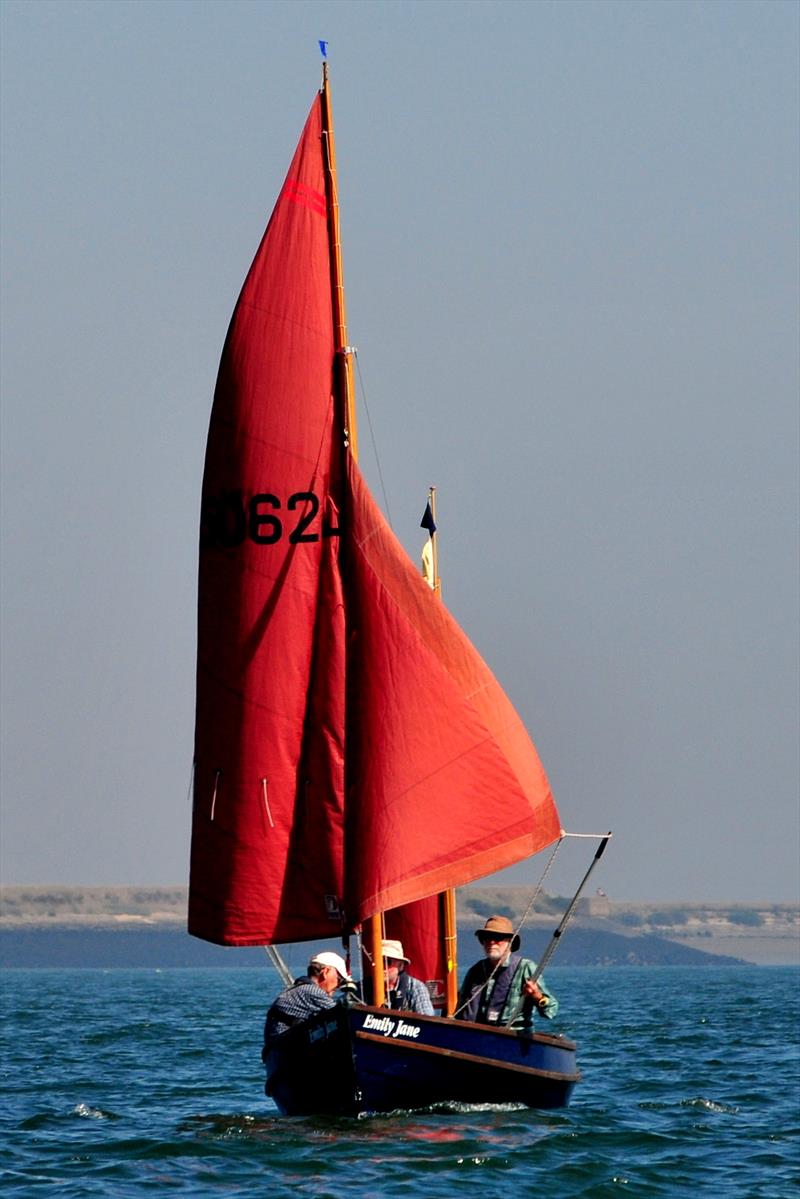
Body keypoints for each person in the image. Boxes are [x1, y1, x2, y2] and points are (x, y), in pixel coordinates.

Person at [456, 915, 558, 1030]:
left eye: (497, 938)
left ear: (510, 942)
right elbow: (459, 1010)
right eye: (487, 937)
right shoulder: (475, 971)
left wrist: (537, 996)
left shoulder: (525, 968)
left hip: (513, 1038)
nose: (492, 942)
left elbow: (552, 1010)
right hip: (477, 1035)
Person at [262, 950, 352, 1054]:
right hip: (285, 1050)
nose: (338, 986)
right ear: (326, 972)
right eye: (339, 979)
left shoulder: (300, 989)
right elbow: (343, 1014)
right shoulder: (311, 992)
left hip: (278, 1052)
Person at [362, 939, 435, 1015]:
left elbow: (427, 1019)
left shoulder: (415, 987)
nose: (381, 967)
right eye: (377, 962)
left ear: (400, 965)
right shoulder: (363, 987)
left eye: (387, 962)